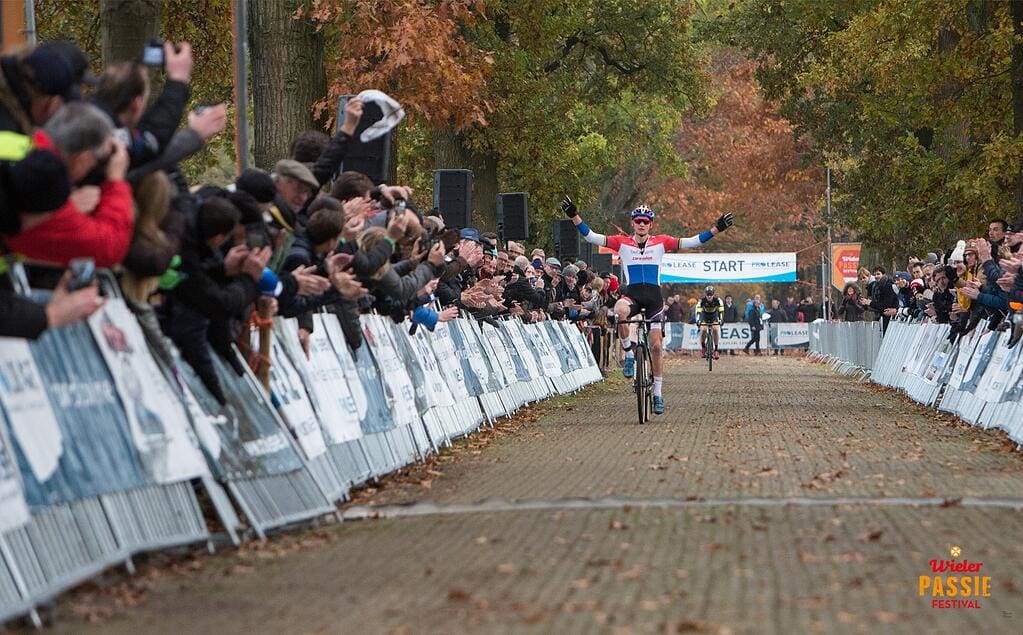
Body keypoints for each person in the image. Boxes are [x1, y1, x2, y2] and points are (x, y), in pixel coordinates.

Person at [562, 196, 734, 414]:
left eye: (645, 221)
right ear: (632, 224)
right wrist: (574, 216)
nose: (641, 224)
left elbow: (693, 241)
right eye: (638, 221)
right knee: (620, 311)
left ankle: (658, 393)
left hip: (654, 299)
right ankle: (629, 354)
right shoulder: (621, 242)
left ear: (650, 225)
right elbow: (591, 236)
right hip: (632, 294)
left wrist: (716, 228)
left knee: (656, 347)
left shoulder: (661, 242)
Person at [695, 285, 724, 359]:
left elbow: (721, 311)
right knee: (703, 330)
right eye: (708, 294)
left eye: (711, 294)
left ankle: (716, 350)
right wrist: (698, 320)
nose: (709, 296)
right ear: (705, 294)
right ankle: (703, 348)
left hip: (714, 316)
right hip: (704, 316)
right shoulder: (702, 301)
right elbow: (698, 312)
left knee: (715, 329)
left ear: (713, 294)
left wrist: (721, 319)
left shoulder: (718, 300)